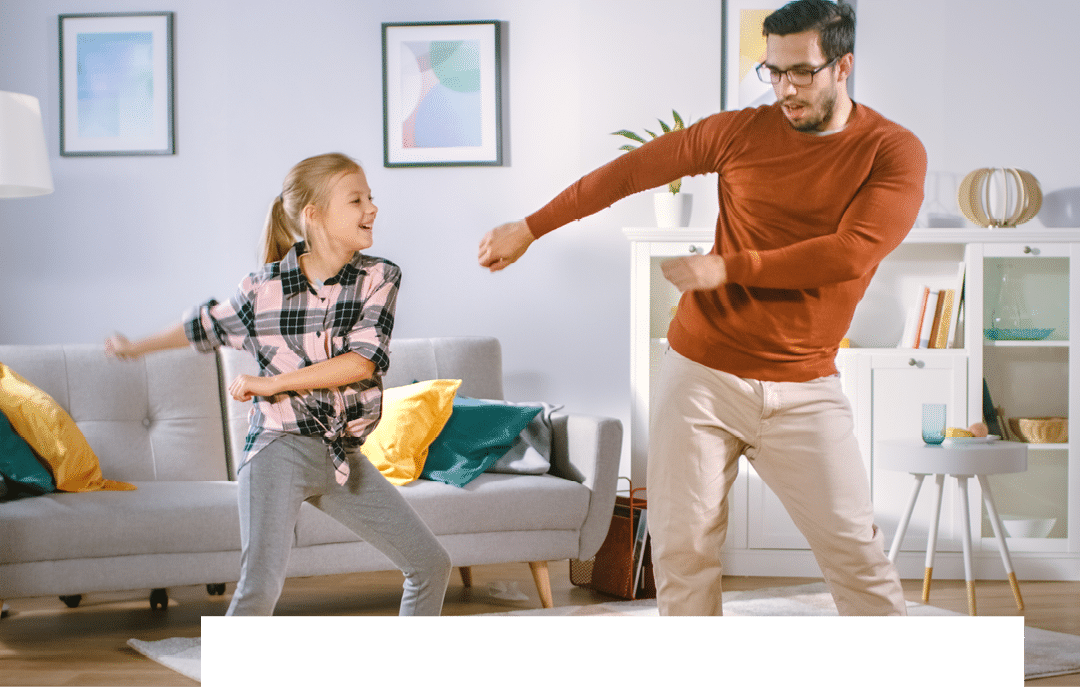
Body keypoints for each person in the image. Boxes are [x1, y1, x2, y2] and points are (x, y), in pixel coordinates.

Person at [477, 0, 925, 617]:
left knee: (854, 550)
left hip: (804, 386)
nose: (786, 89)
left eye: (802, 72)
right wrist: (531, 226)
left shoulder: (892, 151)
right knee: (684, 551)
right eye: (773, 71)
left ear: (843, 65)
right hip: (702, 376)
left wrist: (729, 267)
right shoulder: (739, 132)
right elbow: (628, 173)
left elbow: (848, 254)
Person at [105, 153, 451, 617]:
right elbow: (202, 326)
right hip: (276, 449)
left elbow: (363, 362)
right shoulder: (261, 288)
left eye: (371, 198)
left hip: (338, 454)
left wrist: (273, 384)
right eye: (356, 200)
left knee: (430, 564)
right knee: (258, 590)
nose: (371, 209)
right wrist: (134, 348)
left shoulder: (379, 277)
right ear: (314, 215)